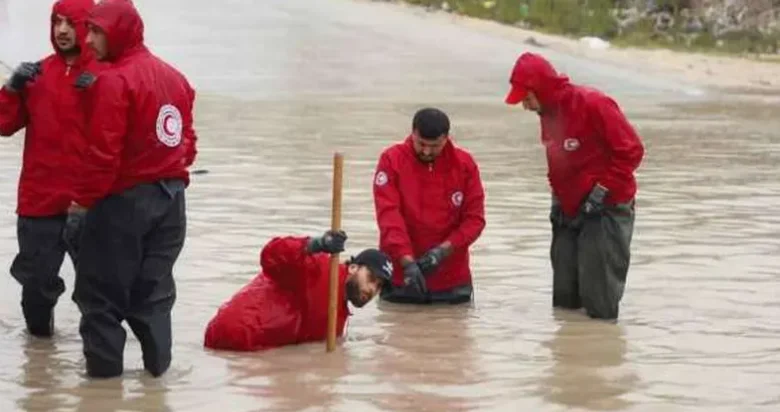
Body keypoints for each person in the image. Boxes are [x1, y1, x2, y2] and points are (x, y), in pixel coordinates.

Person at [70, 0, 197, 378]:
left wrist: (81, 203)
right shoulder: (175, 77)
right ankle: (157, 390)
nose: (88, 40)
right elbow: (187, 142)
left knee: (100, 301)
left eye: (96, 32)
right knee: (154, 297)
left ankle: (102, 402)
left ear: (120, 32)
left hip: (123, 203)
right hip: (172, 202)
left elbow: (101, 156)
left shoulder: (113, 81)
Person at [504, 52, 644, 321]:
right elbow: (560, 161)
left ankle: (601, 354)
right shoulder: (547, 112)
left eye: (526, 98)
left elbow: (632, 152)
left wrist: (601, 192)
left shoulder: (594, 104)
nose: (525, 106)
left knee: (599, 302)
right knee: (565, 299)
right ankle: (568, 356)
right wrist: (558, 198)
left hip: (607, 208)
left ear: (541, 88)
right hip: (568, 208)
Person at [0, 0, 104, 338]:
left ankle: (101, 366)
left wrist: (101, 91)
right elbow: (3, 125)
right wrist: (11, 88)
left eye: (70, 23)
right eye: (56, 22)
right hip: (39, 201)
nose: (61, 30)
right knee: (35, 287)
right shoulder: (37, 75)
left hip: (91, 204)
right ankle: (40, 361)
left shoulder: (107, 74)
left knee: (98, 291)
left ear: (89, 27)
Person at [204, 231, 392, 351]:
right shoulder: (320, 267)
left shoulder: (339, 317)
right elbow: (270, 255)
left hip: (255, 351)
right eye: (371, 279)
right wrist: (314, 245)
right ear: (353, 268)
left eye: (378, 287)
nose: (372, 289)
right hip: (233, 335)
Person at [372, 107, 486, 305]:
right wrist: (406, 260)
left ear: (446, 138)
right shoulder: (391, 160)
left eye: (434, 146)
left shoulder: (465, 165)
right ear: (413, 133)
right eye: (421, 144)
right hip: (401, 278)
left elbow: (474, 220)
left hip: (452, 281)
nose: (426, 151)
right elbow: (389, 217)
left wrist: (442, 252)